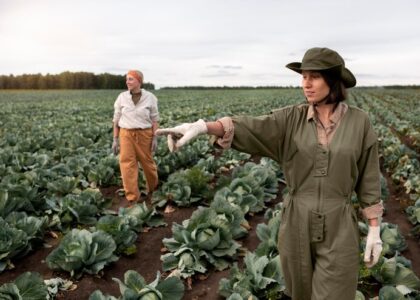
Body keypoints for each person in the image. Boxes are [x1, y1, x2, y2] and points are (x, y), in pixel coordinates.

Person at [156, 48, 384, 300]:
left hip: (339, 222)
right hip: (297, 219)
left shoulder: (359, 122)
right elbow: (251, 127)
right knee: (301, 293)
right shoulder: (290, 119)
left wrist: (374, 230)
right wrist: (202, 127)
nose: (306, 84)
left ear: (333, 80)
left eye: (314, 77)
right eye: (303, 76)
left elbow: (369, 178)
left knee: (336, 293)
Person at [112, 70, 159, 205]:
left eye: (131, 79)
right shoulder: (122, 97)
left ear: (139, 81)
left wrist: (155, 137)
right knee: (127, 164)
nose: (127, 82)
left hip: (145, 134)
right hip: (126, 134)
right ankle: (132, 197)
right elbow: (116, 120)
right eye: (127, 79)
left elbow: (155, 119)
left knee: (148, 163)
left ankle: (153, 189)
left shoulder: (150, 97)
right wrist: (115, 139)